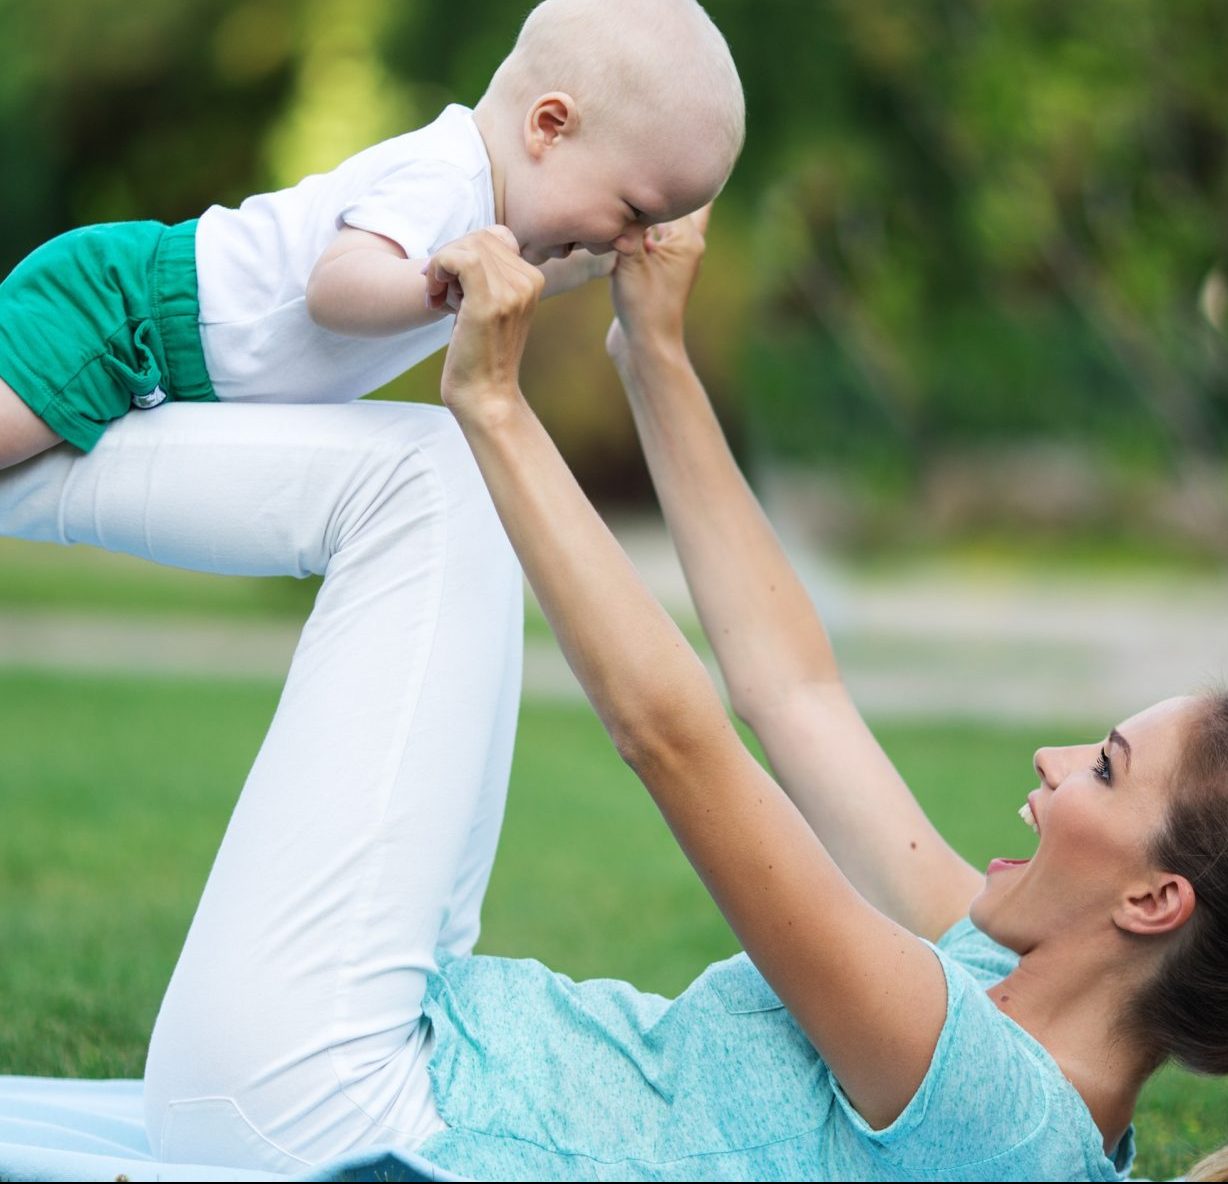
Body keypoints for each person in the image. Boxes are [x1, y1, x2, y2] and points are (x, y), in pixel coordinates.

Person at [2, 215, 1225, 1181]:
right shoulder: (986, 965)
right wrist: (657, 353)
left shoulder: (1003, 1122)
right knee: (442, 486)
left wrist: (494, 402)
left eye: (1107, 768)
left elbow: (676, 740)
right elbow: (792, 690)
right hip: (407, 1050)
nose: (1057, 758)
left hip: (334, 1108)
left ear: (1156, 896)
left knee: (427, 482)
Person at [0, 0, 744, 471]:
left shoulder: (488, 214)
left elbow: (524, 273)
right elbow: (336, 288)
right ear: (550, 127)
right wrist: (437, 281)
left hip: (172, 349)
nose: (626, 238)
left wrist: (594, 269)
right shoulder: (447, 180)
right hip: (125, 313)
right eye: (632, 211)